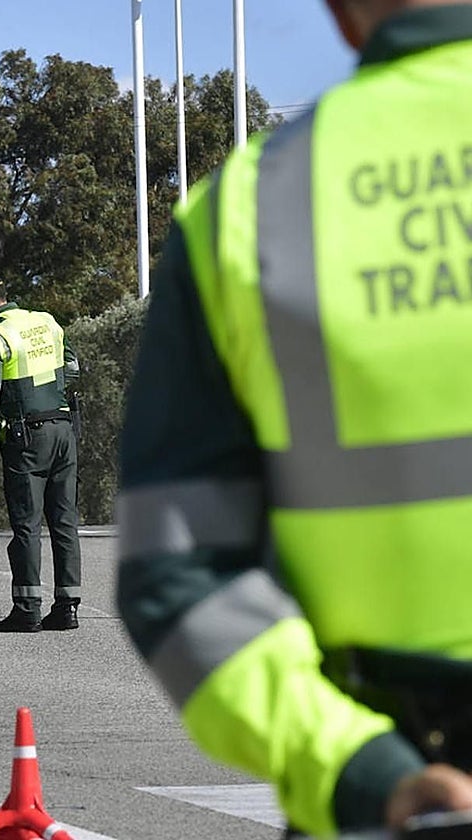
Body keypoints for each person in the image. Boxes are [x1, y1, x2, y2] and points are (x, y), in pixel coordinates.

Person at [115, 1, 472, 837]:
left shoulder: (247, 211)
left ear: (341, 13)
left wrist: (359, 773)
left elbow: (179, 577)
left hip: (399, 785)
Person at [0, 269, 83, 633]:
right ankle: (67, 608)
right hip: (62, 430)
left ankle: (27, 609)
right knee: (64, 521)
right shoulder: (47, 322)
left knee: (26, 524)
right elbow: (72, 368)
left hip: (27, 439)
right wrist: (46, 392)